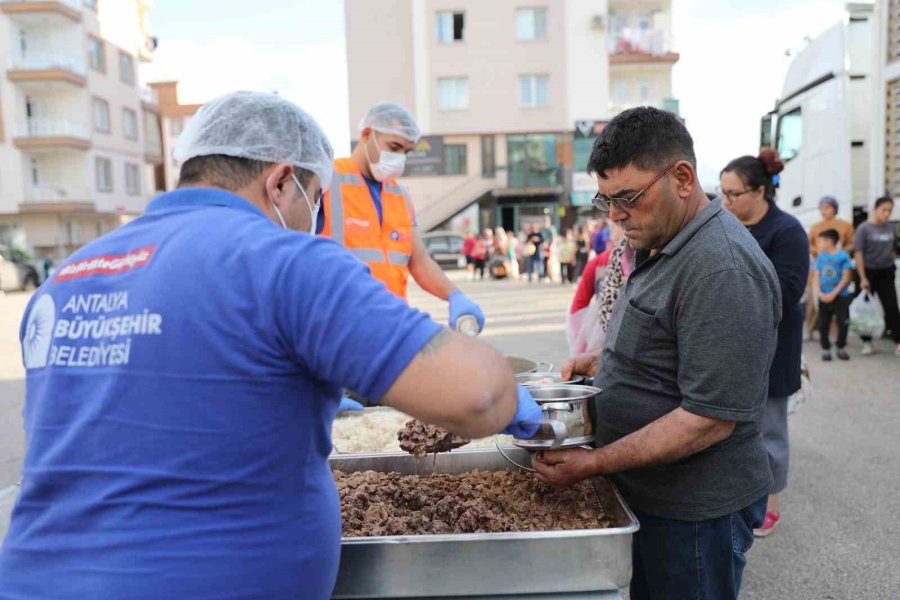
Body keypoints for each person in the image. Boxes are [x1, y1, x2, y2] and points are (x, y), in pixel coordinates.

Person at [0, 92, 542, 600]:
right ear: (282, 182)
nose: (317, 221)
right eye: (316, 200)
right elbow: (475, 397)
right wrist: (516, 403)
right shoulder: (280, 261)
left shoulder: (71, 275)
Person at [533, 107, 779, 600]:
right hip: (652, 497)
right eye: (606, 201)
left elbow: (708, 418)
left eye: (627, 199)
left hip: (695, 512)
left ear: (683, 178)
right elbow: (669, 345)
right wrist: (606, 361)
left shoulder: (721, 269)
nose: (616, 216)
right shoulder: (663, 238)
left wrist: (594, 462)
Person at [319, 101, 484, 333]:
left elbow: (420, 262)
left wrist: (454, 295)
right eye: (394, 147)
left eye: (406, 152)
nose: (399, 157)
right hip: (340, 326)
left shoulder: (399, 195)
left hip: (391, 326)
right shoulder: (326, 180)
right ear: (367, 134)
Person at [720, 148, 808, 538]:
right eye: (722, 193)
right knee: (737, 427)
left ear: (759, 192)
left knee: (770, 429)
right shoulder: (726, 227)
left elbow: (788, 288)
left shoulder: (786, 231)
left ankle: (770, 501)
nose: (725, 201)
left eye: (733, 194)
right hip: (732, 346)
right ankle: (741, 492)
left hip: (774, 348)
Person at [567, 224, 635, 355]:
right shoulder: (598, 263)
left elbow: (577, 309)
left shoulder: (598, 262)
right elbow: (578, 306)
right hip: (607, 345)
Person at [853, 196, 900, 357]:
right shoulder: (864, 228)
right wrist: (863, 277)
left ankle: (898, 342)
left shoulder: (889, 228)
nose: (887, 214)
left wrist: (891, 262)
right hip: (868, 272)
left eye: (890, 211)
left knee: (892, 307)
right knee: (866, 310)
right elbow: (858, 254)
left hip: (886, 272)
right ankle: (867, 342)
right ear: (876, 209)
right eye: (884, 210)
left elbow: (893, 249)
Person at [805, 196, 855, 339]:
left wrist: (839, 251)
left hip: (838, 269)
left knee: (838, 303)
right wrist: (818, 252)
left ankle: (835, 333)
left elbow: (852, 243)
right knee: (813, 300)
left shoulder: (845, 225)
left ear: (834, 209)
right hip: (819, 267)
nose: (824, 211)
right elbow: (810, 245)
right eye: (822, 208)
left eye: (827, 207)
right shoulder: (816, 227)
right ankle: (810, 329)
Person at [814, 229, 854, 361]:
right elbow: (816, 275)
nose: (818, 244)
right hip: (823, 296)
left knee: (843, 322)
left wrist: (833, 294)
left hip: (840, 297)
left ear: (829, 241)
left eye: (820, 241)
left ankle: (840, 347)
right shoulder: (821, 257)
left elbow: (846, 278)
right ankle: (825, 349)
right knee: (823, 324)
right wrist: (819, 292)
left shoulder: (843, 256)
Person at [539, 215, 557, 282]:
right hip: (544, 248)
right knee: (543, 262)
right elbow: (540, 238)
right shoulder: (541, 229)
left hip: (550, 248)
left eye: (546, 221)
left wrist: (551, 246)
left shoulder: (552, 228)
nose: (545, 223)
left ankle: (551, 276)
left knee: (550, 262)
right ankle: (544, 276)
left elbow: (554, 238)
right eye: (544, 221)